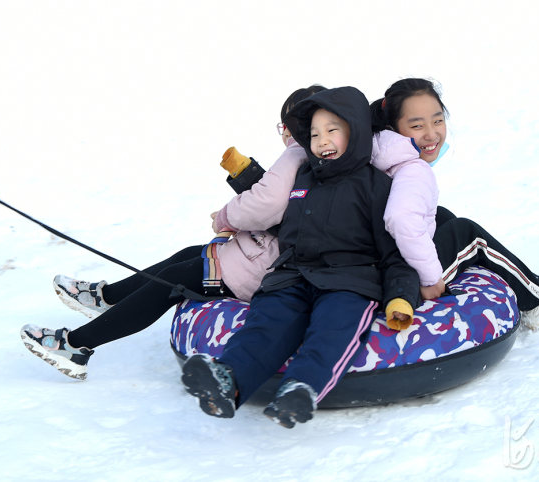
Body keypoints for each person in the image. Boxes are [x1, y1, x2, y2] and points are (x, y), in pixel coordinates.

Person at [19, 85, 327, 380]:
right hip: (267, 254)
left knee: (171, 282)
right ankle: (107, 297)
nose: (283, 133)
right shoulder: (319, 157)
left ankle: (75, 346)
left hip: (266, 266)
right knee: (190, 255)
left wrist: (225, 218)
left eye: (285, 125)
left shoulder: (297, 154)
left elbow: (267, 204)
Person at [180, 86, 420, 428]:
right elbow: (278, 218)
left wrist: (400, 295)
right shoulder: (304, 177)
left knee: (333, 329)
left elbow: (396, 251)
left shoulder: (375, 185)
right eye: (314, 133)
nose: (322, 140)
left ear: (355, 130)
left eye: (333, 130)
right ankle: (227, 381)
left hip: (350, 281)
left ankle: (301, 388)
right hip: (293, 275)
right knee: (266, 324)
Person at [370, 78, 539, 328]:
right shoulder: (413, 169)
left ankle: (523, 281)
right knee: (470, 235)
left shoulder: (379, 151)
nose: (431, 133)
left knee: (442, 217)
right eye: (417, 125)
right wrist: (430, 278)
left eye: (437, 120)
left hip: (381, 257)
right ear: (394, 127)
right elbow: (400, 218)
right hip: (401, 276)